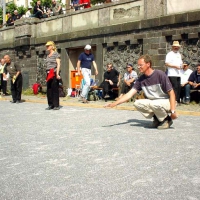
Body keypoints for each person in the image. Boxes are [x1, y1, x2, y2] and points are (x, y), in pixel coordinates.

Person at [105, 55, 178, 130]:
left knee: (154, 104)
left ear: (148, 64)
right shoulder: (141, 79)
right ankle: (157, 119)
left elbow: (172, 93)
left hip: (166, 102)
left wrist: (173, 111)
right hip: (154, 102)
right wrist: (114, 104)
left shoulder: (160, 74)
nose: (138, 67)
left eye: (141, 65)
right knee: (137, 103)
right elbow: (129, 95)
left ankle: (167, 120)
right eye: (138, 65)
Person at [165, 41, 183, 105]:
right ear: (173, 47)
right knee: (174, 87)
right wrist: (175, 66)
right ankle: (174, 101)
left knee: (178, 87)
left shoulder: (179, 54)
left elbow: (180, 63)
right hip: (172, 74)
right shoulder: (169, 54)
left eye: (177, 47)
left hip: (178, 73)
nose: (176, 48)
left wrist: (181, 66)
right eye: (175, 46)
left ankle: (177, 100)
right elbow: (166, 63)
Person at [45, 41, 61, 110]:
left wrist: (57, 73)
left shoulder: (56, 54)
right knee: (49, 89)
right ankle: (50, 104)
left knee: (54, 89)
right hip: (48, 73)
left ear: (52, 46)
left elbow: (58, 64)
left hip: (54, 72)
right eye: (46, 46)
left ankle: (56, 105)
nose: (47, 47)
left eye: (48, 46)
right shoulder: (48, 55)